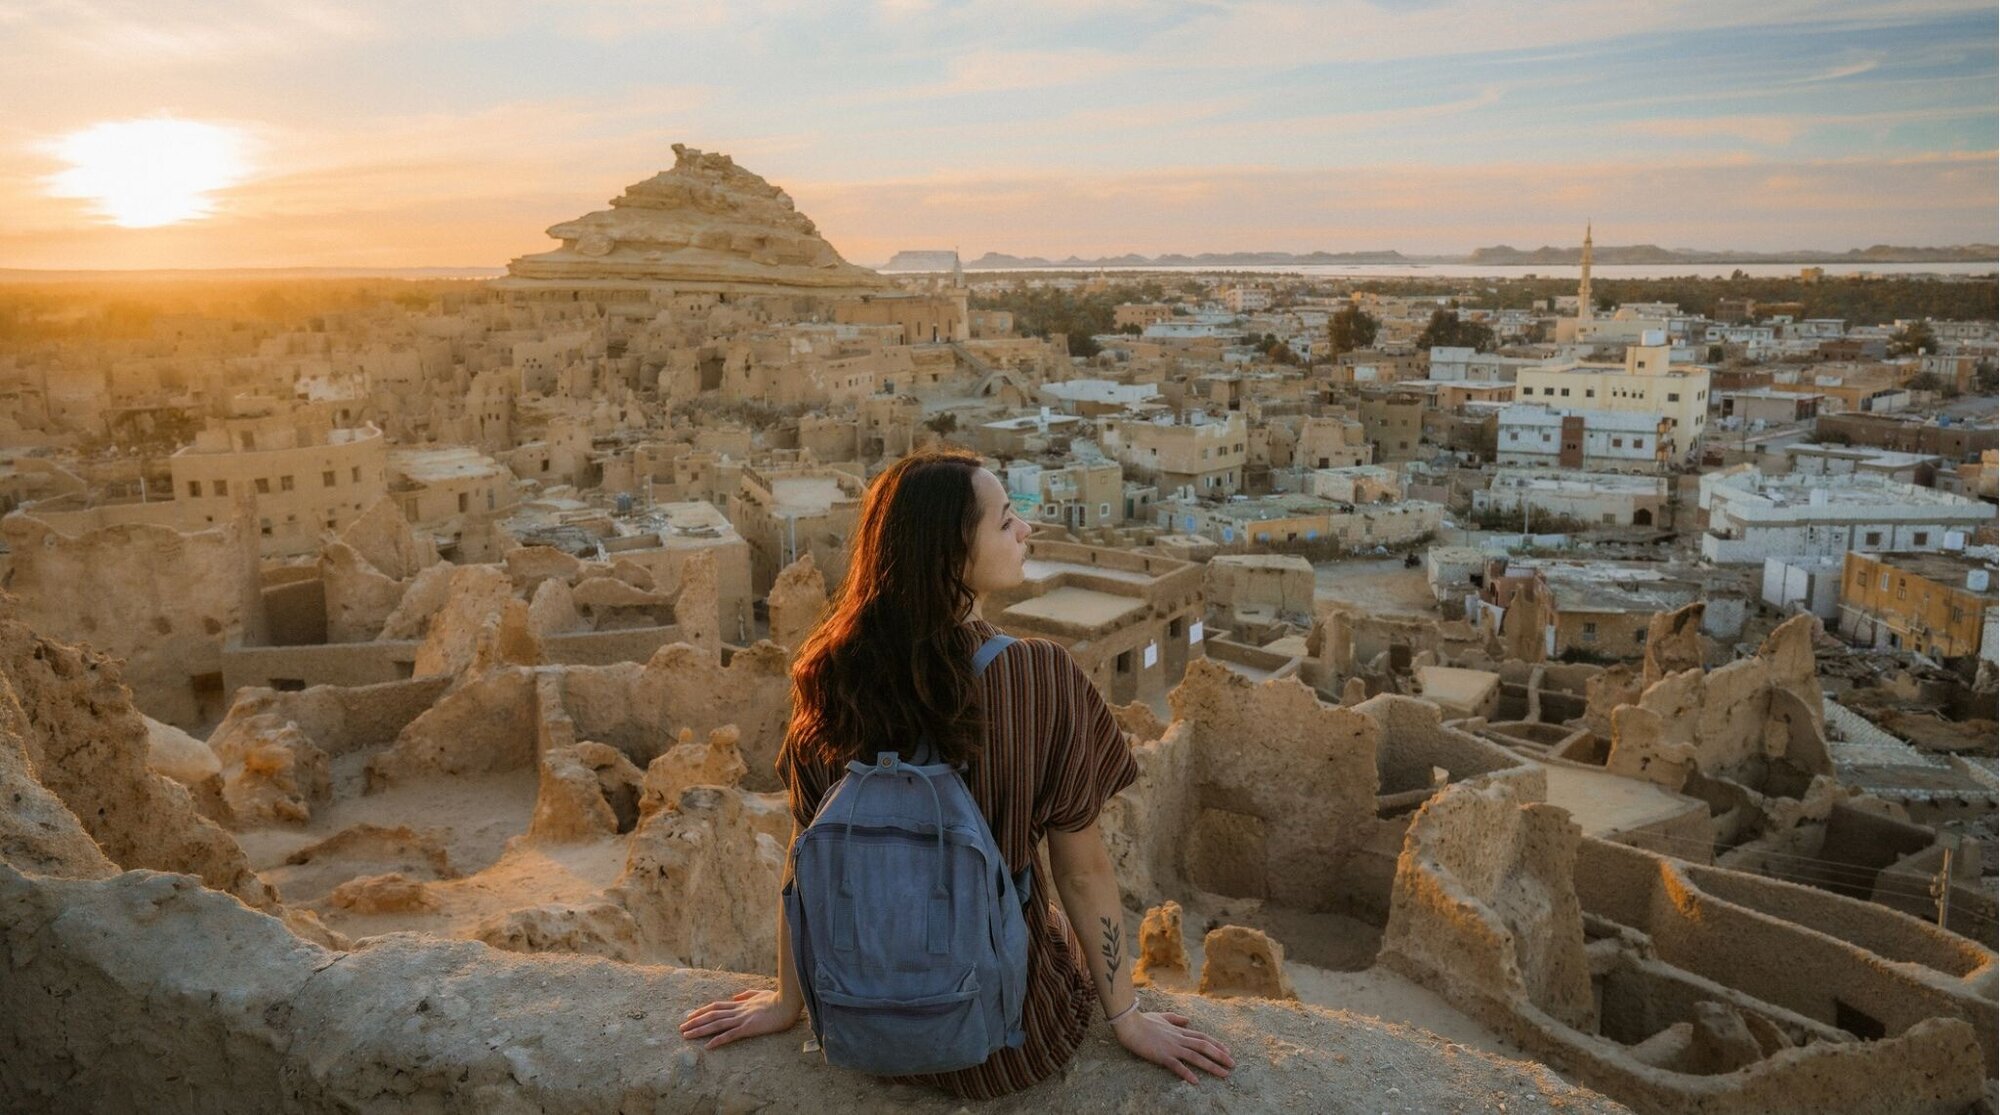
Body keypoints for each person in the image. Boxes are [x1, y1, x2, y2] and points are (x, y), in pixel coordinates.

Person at [679, 449, 1234, 1098]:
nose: (1025, 530)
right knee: (1052, 922)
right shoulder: (1038, 677)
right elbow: (1084, 871)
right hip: (1007, 1039)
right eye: (1004, 522)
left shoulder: (827, 679)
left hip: (862, 1028)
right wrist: (1128, 1017)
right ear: (952, 554)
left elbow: (806, 860)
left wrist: (785, 1001)